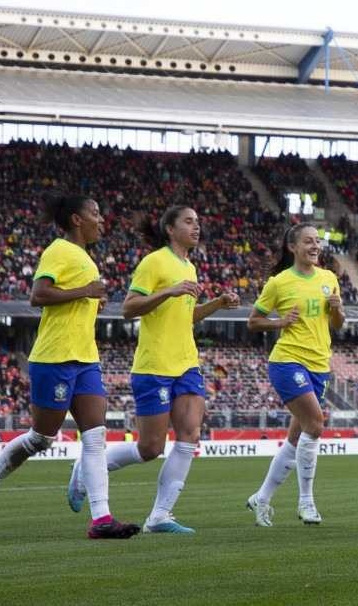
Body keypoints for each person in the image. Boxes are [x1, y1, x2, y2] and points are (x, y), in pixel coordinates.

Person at [0, 193, 139, 539]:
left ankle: (101, 519)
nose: (101, 219)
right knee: (41, 438)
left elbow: (76, 299)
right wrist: (85, 291)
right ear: (76, 219)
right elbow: (38, 296)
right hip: (55, 357)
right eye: (95, 212)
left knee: (95, 436)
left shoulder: (84, 257)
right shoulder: (59, 250)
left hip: (85, 357)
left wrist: (91, 297)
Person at [76, 205, 239, 534]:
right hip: (155, 365)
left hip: (187, 363)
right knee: (151, 448)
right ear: (170, 229)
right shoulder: (155, 262)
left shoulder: (189, 267)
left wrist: (217, 304)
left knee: (190, 434)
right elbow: (128, 308)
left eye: (198, 221)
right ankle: (83, 469)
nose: (196, 227)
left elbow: (186, 317)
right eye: (189, 222)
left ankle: (160, 515)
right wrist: (168, 290)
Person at [246, 224, 344, 527]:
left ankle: (261, 498)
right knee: (315, 423)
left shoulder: (329, 279)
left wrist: (338, 309)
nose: (315, 246)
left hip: (319, 365)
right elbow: (253, 321)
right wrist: (279, 322)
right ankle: (306, 502)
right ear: (293, 247)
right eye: (308, 242)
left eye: (317, 242)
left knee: (297, 436)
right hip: (287, 361)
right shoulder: (279, 283)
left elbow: (337, 325)